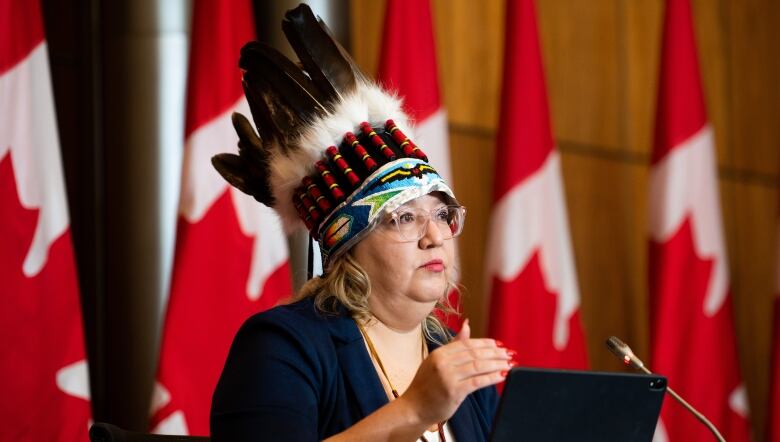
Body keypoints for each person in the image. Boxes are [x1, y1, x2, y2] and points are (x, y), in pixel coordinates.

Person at [209, 4, 516, 441]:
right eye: (405, 217)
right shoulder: (283, 345)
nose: (435, 237)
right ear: (348, 242)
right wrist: (414, 409)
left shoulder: (452, 355)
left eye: (443, 215)